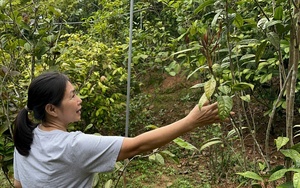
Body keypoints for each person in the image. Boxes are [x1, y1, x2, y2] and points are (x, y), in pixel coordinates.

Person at [13, 71, 234, 188]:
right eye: (72, 96)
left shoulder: (25, 139)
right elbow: (137, 145)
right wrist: (190, 122)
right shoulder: (73, 146)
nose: (79, 100)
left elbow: (19, 184)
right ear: (51, 109)